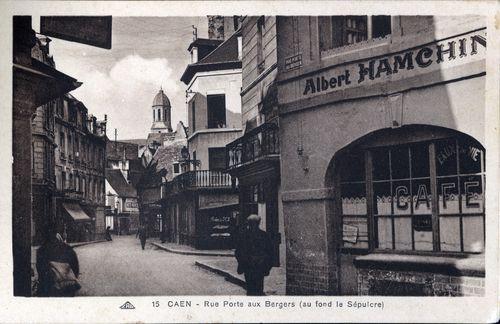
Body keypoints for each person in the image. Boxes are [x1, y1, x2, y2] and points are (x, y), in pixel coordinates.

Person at [235, 214, 274, 296]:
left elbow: (238, 252)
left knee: (251, 289)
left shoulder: (243, 235)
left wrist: (242, 262)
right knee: (258, 288)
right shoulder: (264, 235)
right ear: (259, 223)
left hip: (250, 266)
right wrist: (266, 265)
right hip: (258, 266)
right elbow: (270, 252)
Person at [36, 232, 81, 297]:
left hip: (48, 288)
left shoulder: (41, 250)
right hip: (67, 287)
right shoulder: (68, 249)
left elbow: (40, 270)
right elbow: (75, 267)